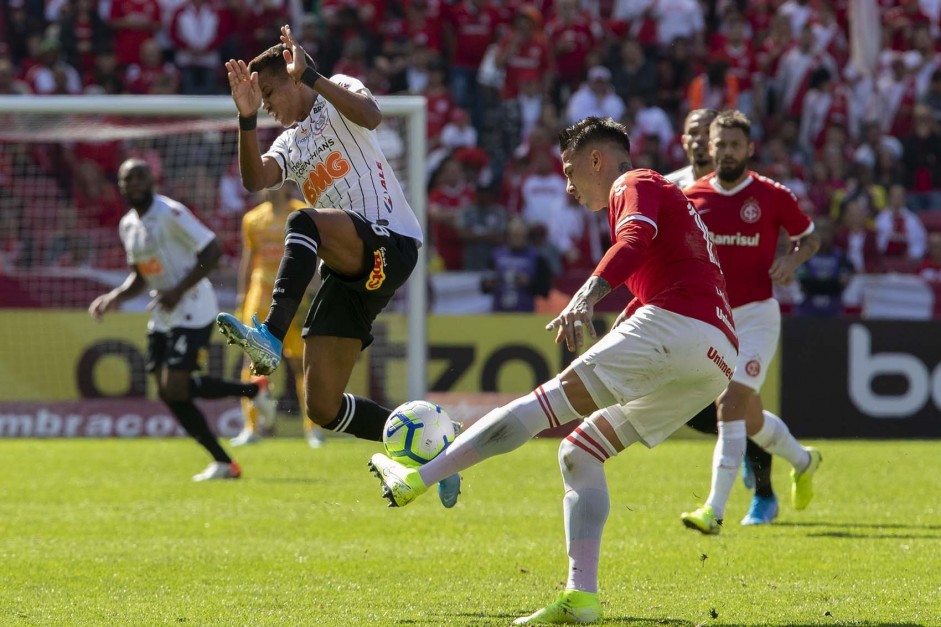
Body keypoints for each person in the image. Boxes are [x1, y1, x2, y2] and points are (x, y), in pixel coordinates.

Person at [368, 116, 738, 624]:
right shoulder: (666, 200)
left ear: (596, 161)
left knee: (541, 407)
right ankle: (581, 596)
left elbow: (632, 243)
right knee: (579, 452)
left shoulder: (634, 182)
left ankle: (418, 477)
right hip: (716, 356)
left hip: (680, 326)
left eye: (569, 170)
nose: (567, 184)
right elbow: (665, 277)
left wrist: (584, 297)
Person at [214, 25, 460, 506]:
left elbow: (372, 116)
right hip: (351, 269)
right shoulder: (288, 144)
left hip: (394, 241)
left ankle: (269, 334)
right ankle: (439, 456)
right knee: (323, 406)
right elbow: (254, 179)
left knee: (302, 221)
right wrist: (245, 120)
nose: (265, 104)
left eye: (267, 93)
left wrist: (316, 76)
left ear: (292, 78)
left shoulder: (338, 90)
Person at [680, 110, 823, 535]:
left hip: (757, 317)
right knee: (751, 418)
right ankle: (804, 460)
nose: (726, 152)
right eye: (720, 144)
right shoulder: (692, 196)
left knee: (730, 405)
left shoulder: (772, 195)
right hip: (712, 319)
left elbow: (810, 236)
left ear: (750, 149)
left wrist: (793, 260)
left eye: (734, 145)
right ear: (710, 148)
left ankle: (714, 510)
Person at [88, 159, 275, 481]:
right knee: (168, 392)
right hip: (164, 310)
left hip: (194, 306)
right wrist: (114, 297)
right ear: (119, 186)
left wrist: (177, 290)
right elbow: (141, 276)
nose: (132, 183)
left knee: (175, 386)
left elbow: (213, 249)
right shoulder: (128, 225)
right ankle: (227, 454)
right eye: (126, 179)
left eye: (138, 177)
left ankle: (248, 401)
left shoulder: (170, 212)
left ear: (151, 181)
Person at [667, 108, 780, 526]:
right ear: (685, 141)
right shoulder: (673, 186)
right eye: (692, 133)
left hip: (742, 313)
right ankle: (743, 446)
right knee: (695, 404)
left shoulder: (741, 186)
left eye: (705, 133)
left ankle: (764, 495)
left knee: (738, 405)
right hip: (691, 311)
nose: (699, 141)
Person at [230, 186, 326, 449]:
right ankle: (251, 427)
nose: (270, 186)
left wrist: (315, 291)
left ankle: (313, 428)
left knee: (300, 363)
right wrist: (241, 295)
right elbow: (249, 259)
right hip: (259, 297)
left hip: (294, 297)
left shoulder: (302, 213)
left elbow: (314, 256)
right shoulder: (252, 218)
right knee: (253, 362)